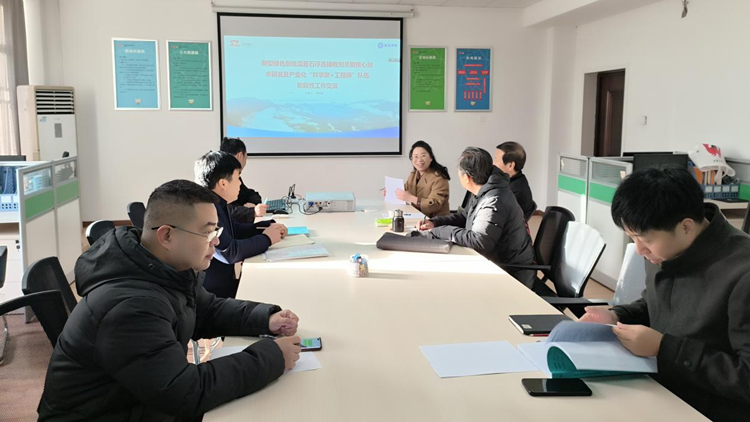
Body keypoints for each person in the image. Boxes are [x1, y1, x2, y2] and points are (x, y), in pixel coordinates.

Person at [38, 180, 302, 421]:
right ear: (167, 236)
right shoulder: (129, 307)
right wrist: (272, 357)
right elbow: (185, 391)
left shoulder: (165, 268)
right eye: (208, 233)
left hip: (140, 403)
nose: (217, 241)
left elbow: (206, 311)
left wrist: (265, 318)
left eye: (217, 230)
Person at [579, 165, 750, 422]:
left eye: (645, 240)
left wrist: (663, 348)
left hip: (704, 408)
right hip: (657, 388)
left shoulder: (742, 274)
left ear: (686, 227)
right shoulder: (666, 250)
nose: (639, 250)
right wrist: (617, 315)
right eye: (632, 237)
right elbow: (656, 304)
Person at [418, 147, 549, 294]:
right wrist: (436, 222)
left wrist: (440, 231)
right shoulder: (485, 189)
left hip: (510, 273)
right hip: (494, 262)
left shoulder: (494, 199)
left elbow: (480, 241)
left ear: (467, 177)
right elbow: (465, 216)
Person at [195, 151, 287, 298]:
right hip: (213, 295)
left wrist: (267, 226)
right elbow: (229, 252)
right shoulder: (207, 209)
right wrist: (267, 239)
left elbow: (235, 230)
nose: (239, 184)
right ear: (223, 183)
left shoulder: (217, 203)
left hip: (224, 285)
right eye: (238, 178)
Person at [460, 141, 536, 222]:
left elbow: (489, 219)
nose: (493, 163)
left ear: (510, 165)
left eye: (496, 159)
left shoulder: (513, 192)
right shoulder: (510, 182)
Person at [395, 140, 451, 218]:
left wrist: (411, 198)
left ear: (431, 158)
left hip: (435, 220)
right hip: (417, 217)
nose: (419, 160)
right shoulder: (413, 175)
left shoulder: (439, 177)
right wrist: (392, 191)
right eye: (415, 156)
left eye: (423, 155)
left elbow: (435, 205)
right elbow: (405, 190)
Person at [220, 137, 267, 224]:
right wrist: (251, 212)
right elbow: (224, 210)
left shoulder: (233, 175)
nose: (239, 183)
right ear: (240, 155)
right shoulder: (222, 176)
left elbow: (250, 194)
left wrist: (252, 205)